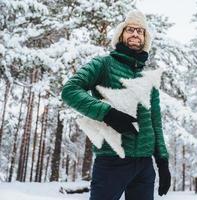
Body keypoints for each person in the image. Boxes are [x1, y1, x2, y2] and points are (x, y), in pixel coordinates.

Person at [61, 10, 170, 200]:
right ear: (121, 34)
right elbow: (70, 90)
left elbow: (155, 122)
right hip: (112, 160)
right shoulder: (103, 64)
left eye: (140, 31)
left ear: (145, 39)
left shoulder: (148, 78)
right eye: (130, 30)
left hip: (144, 166)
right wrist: (107, 113)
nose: (135, 34)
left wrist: (162, 161)